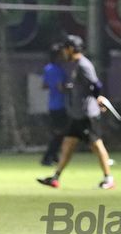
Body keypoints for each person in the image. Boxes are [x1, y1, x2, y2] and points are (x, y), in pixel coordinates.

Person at [37, 34, 116, 189]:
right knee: (68, 144)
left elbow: (95, 84)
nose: (63, 53)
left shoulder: (83, 65)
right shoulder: (75, 64)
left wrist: (98, 98)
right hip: (77, 114)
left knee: (96, 145)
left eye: (65, 49)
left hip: (87, 114)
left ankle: (109, 179)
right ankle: (55, 178)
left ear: (71, 49)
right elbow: (82, 86)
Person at [40, 42, 68, 166]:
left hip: (52, 104)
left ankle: (54, 156)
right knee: (60, 133)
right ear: (57, 56)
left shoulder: (47, 68)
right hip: (60, 105)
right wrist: (73, 87)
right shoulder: (57, 70)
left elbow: (44, 85)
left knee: (59, 132)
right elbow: (61, 87)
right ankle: (47, 158)